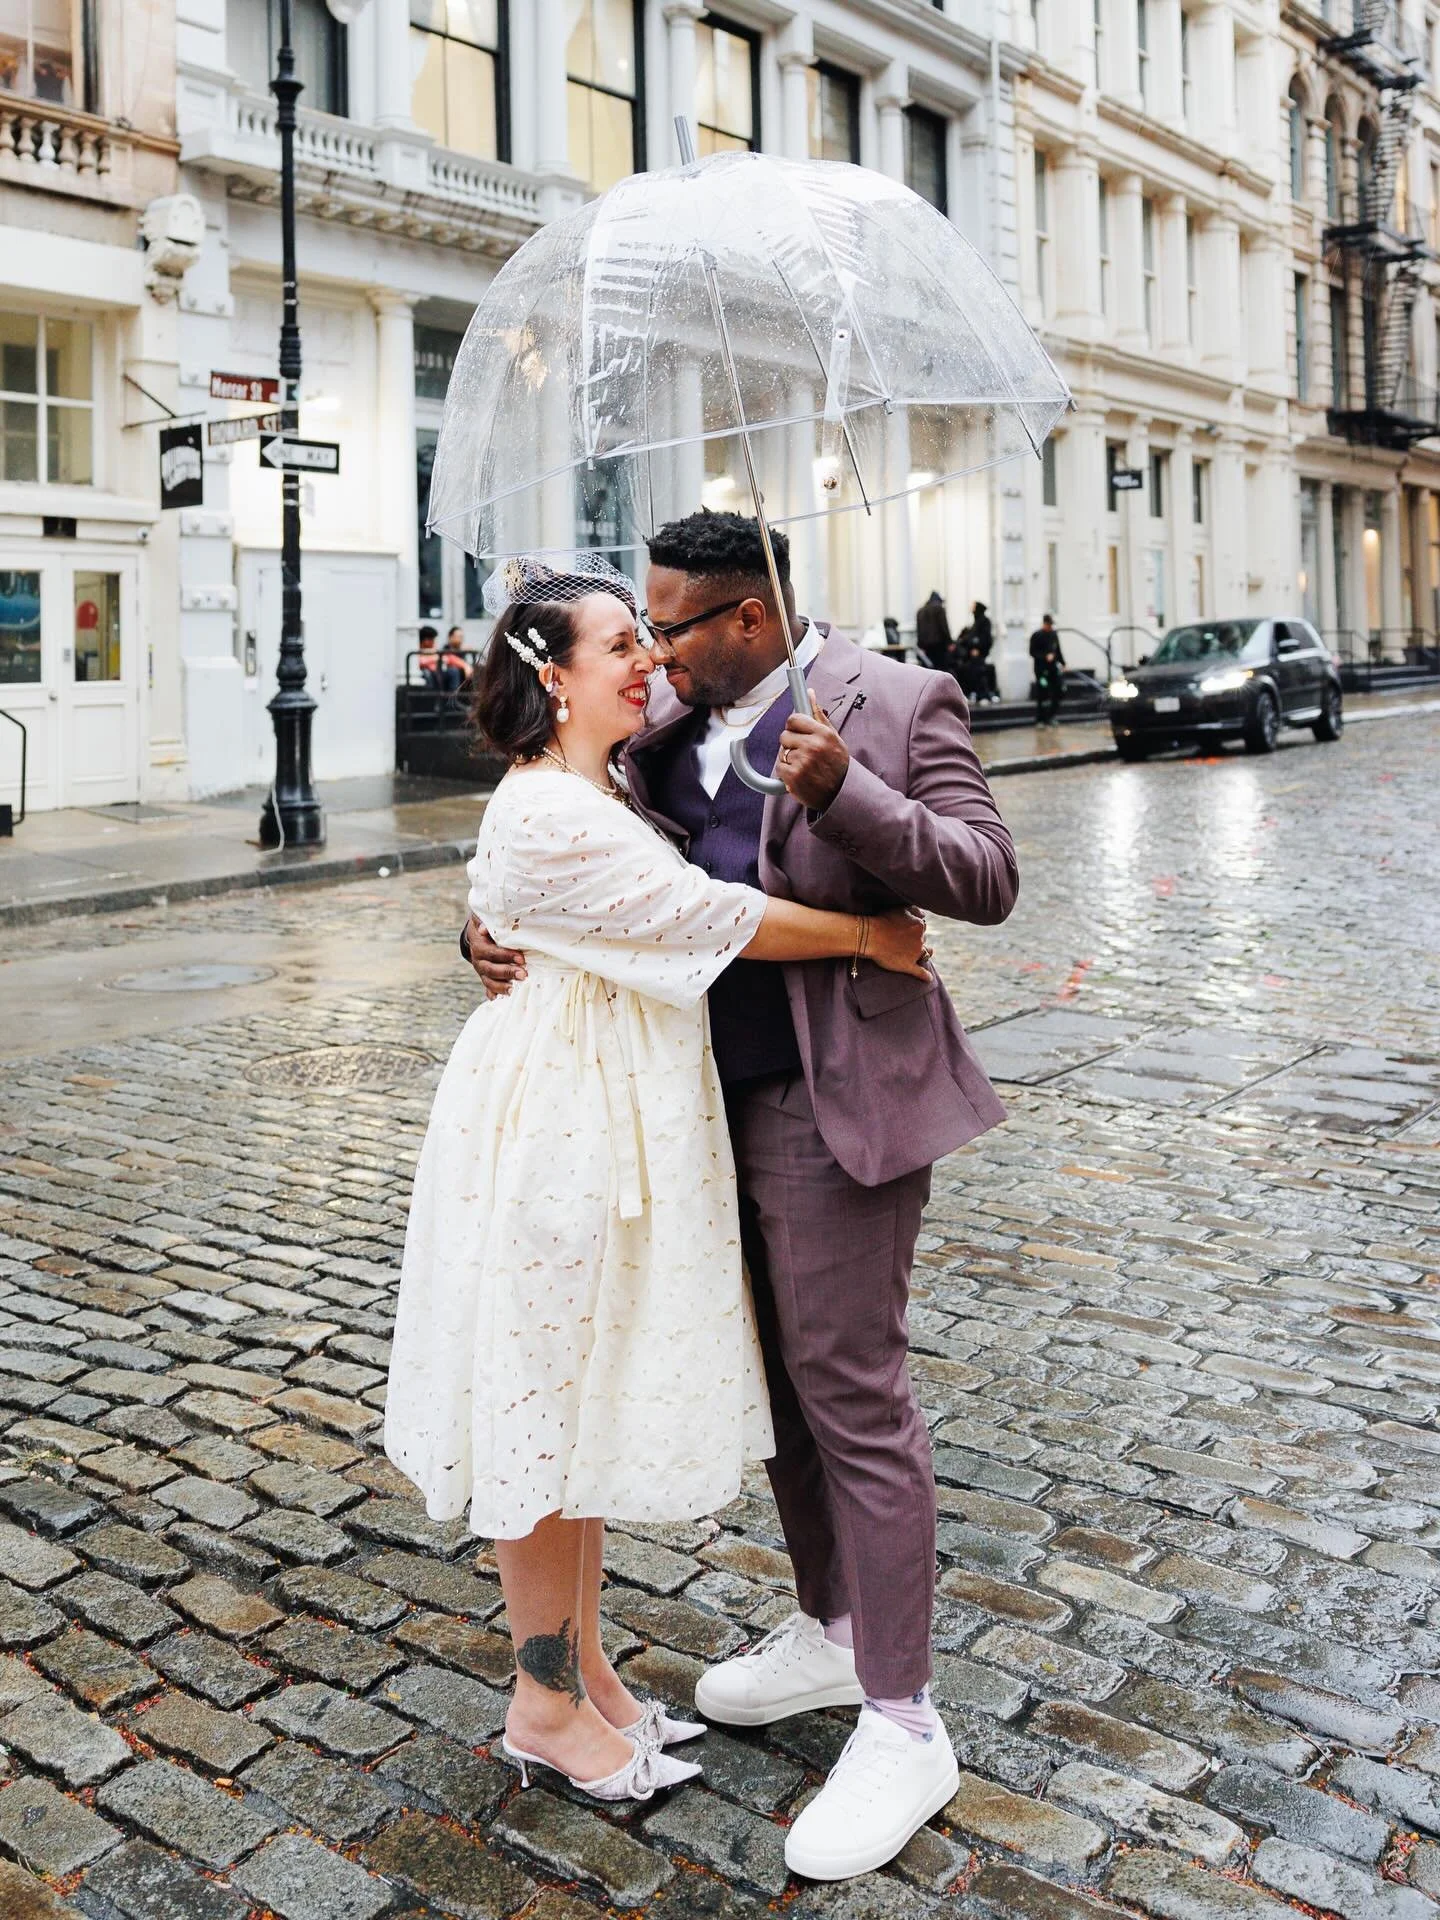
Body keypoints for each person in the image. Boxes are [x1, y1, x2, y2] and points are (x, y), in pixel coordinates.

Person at [465, 511, 1018, 1881]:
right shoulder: (656, 732)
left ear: (753, 619)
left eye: (677, 623)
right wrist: (485, 926)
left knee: (854, 1392)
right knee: (775, 1390)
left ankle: (904, 1717)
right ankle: (832, 1632)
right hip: (692, 1113)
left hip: (833, 1105)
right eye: (637, 627)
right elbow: (574, 846)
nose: (652, 649)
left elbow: (986, 878)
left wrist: (849, 798)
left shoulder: (896, 700)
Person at [385, 551, 930, 1812]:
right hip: (556, 1128)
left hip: (603, 1108)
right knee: (537, 1409)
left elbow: (512, 898)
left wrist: (484, 922)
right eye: (621, 645)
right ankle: (541, 1703)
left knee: (571, 1408)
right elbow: (702, 914)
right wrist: (866, 935)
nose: (651, 662)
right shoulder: (551, 803)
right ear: (552, 677)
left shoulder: (607, 777)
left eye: (651, 637)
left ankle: (583, 1679)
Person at [957, 600, 998, 703]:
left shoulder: (983, 621)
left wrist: (978, 649)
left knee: (979, 674)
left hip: (978, 654)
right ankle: (977, 694)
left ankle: (983, 695)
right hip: (973, 654)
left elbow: (985, 638)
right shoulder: (977, 622)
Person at [1029, 612, 1065, 725]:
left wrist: (1063, 663)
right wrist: (1045, 656)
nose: (1050, 627)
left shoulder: (1053, 635)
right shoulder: (1036, 635)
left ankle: (1051, 715)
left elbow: (1057, 650)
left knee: (1059, 690)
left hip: (1053, 669)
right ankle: (1040, 719)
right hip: (1041, 670)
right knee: (1042, 693)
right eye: (1048, 625)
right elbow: (1032, 652)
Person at [914, 590, 952, 672]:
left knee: (928, 670)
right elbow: (944, 627)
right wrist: (949, 642)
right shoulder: (939, 609)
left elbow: (919, 630)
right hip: (939, 645)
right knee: (940, 670)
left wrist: (920, 645)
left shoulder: (920, 611)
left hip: (925, 646)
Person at [440, 624, 471, 691]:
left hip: (461, 681)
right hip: (447, 679)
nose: (460, 639)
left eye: (462, 637)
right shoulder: (445, 649)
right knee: (454, 671)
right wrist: (465, 666)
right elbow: (448, 658)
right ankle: (453, 699)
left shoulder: (462, 651)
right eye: (458, 636)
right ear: (450, 637)